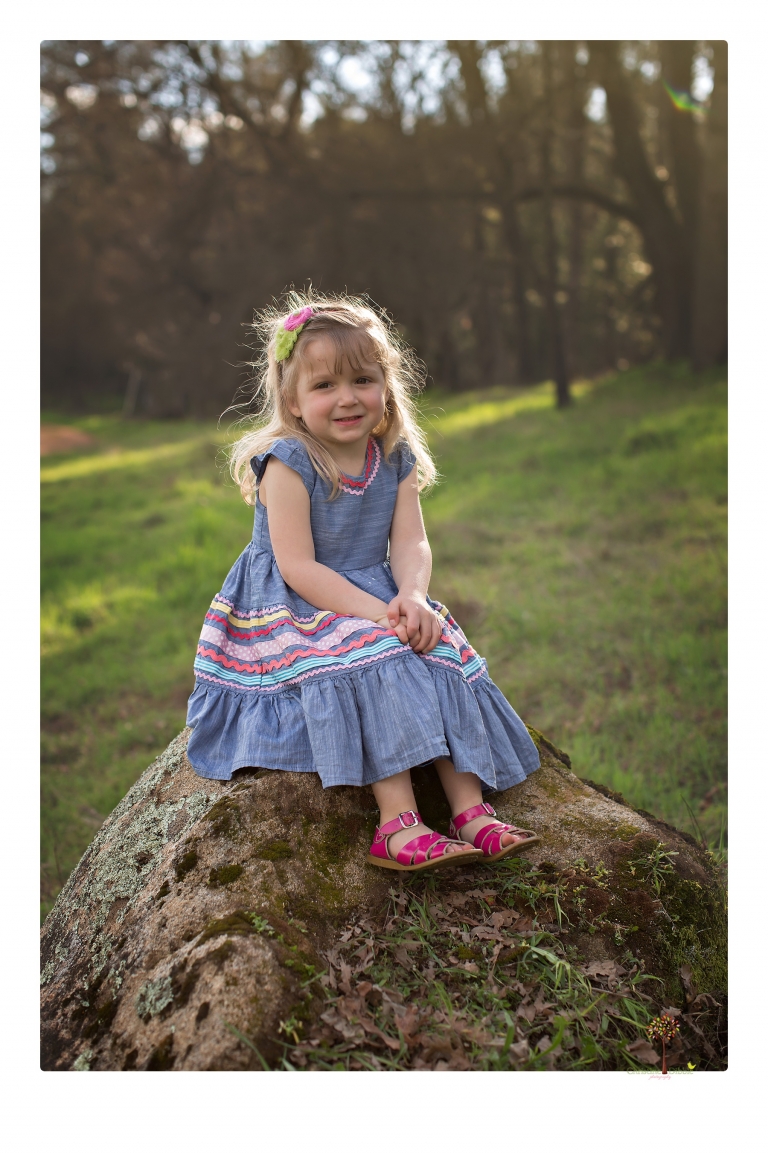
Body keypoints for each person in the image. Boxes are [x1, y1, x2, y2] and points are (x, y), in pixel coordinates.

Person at [186, 295, 541, 872]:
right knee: (376, 653)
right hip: (291, 604)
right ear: (294, 401)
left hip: (376, 591)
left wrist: (413, 598)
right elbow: (297, 567)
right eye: (324, 385)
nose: (347, 397)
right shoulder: (288, 462)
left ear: (386, 385)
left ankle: (470, 809)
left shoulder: (392, 458)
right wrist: (381, 616)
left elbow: (410, 543)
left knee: (439, 647)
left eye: (362, 379)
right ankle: (397, 823)